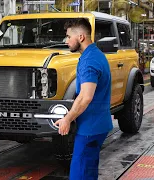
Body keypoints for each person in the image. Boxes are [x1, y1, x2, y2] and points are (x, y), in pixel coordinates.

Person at [54, 18, 113, 180]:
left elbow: (85, 97)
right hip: (99, 125)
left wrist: (67, 119)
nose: (66, 41)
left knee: (79, 174)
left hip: (89, 129)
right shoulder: (96, 54)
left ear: (80, 37)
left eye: (68, 37)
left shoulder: (89, 61)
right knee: (89, 172)